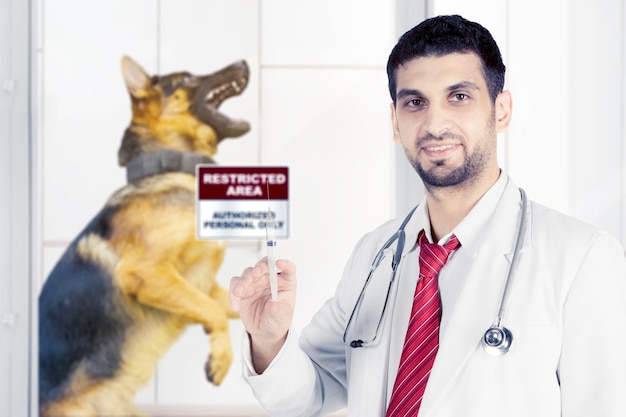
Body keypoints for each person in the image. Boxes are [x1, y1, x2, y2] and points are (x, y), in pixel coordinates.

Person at [229, 14, 626, 417]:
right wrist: (268, 340)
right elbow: (309, 394)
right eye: (415, 102)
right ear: (395, 122)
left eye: (459, 97)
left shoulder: (582, 257)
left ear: (501, 111)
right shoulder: (374, 255)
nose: (435, 124)